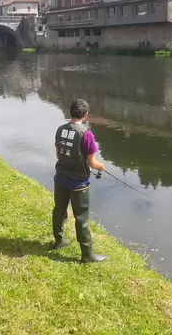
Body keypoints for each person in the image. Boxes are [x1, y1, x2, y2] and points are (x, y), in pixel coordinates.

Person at [53, 99, 107, 263]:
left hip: (60, 179)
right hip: (78, 184)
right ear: (86, 115)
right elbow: (92, 163)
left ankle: (59, 241)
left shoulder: (61, 129)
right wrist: (101, 167)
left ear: (70, 113)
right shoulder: (86, 134)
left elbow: (58, 155)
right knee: (81, 218)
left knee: (59, 211)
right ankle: (87, 255)